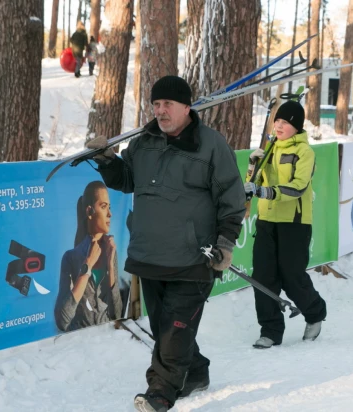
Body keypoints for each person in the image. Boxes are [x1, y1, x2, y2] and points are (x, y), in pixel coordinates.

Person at [85, 75, 246, 412]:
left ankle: (161, 392)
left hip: (194, 256)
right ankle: (196, 372)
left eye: (167, 104)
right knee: (166, 328)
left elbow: (231, 198)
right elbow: (128, 180)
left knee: (174, 328)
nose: (160, 111)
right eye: (155, 104)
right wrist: (105, 159)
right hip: (150, 253)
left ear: (186, 107)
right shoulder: (143, 143)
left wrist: (226, 243)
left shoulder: (211, 145)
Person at [244, 100, 327, 349]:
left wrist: (263, 191)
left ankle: (314, 312)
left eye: (285, 122)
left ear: (297, 127)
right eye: (277, 121)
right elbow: (253, 183)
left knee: (292, 277)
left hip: (295, 222)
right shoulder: (269, 148)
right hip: (267, 221)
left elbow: (297, 187)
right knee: (263, 277)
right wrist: (251, 166)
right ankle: (270, 330)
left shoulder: (305, 152)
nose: (279, 126)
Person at [54, 181, 123, 332]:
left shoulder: (111, 252)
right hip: (80, 340)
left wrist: (111, 266)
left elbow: (117, 314)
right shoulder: (70, 258)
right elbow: (62, 320)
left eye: (109, 207)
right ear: (89, 211)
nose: (110, 214)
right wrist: (87, 266)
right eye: (104, 207)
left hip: (107, 338)